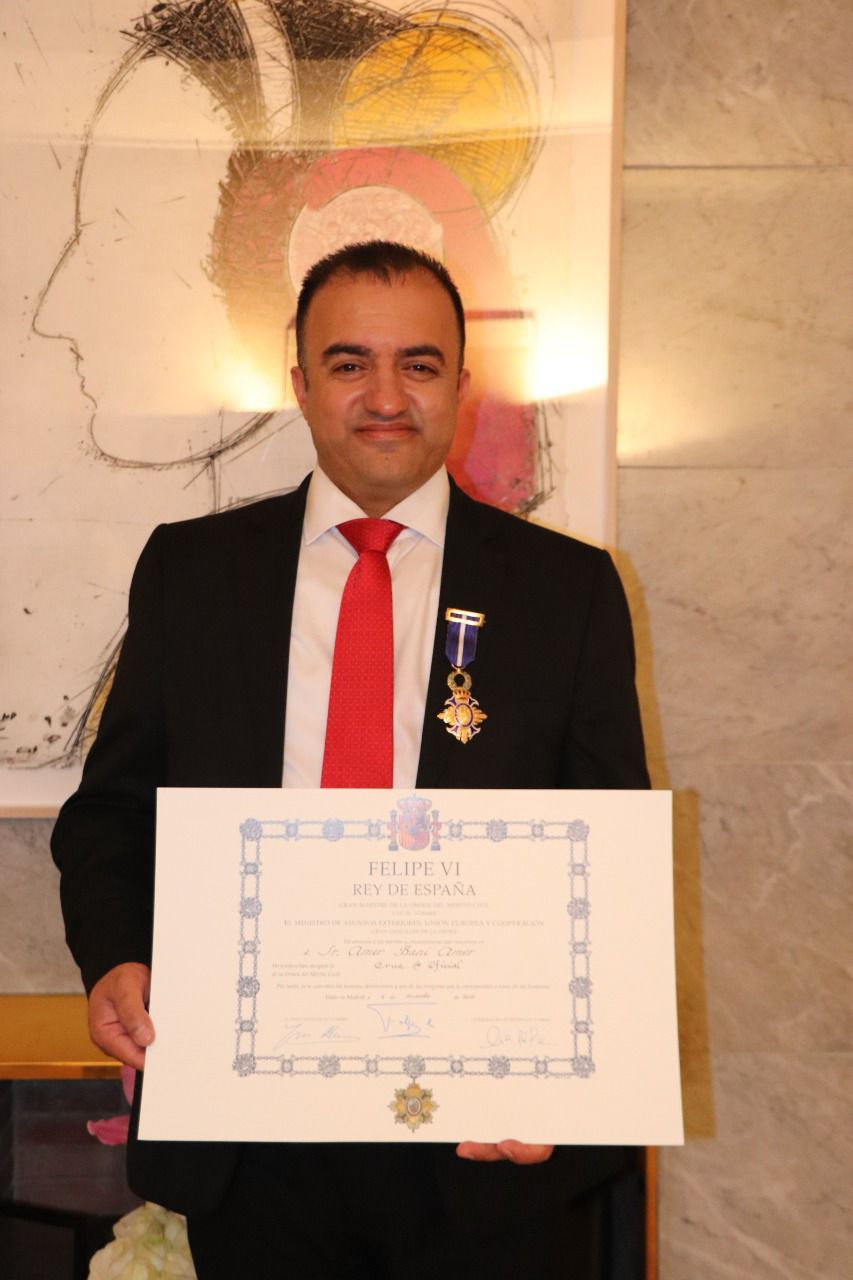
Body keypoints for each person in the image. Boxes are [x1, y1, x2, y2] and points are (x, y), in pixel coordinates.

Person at [51, 241, 649, 1278]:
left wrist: (575, 1081)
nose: (384, 396)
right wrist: (113, 954)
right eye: (348, 362)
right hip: (253, 1136)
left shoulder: (568, 590)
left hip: (482, 1143)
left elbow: (605, 862)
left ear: (460, 385)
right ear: (299, 382)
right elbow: (111, 816)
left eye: (418, 364)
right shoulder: (193, 573)